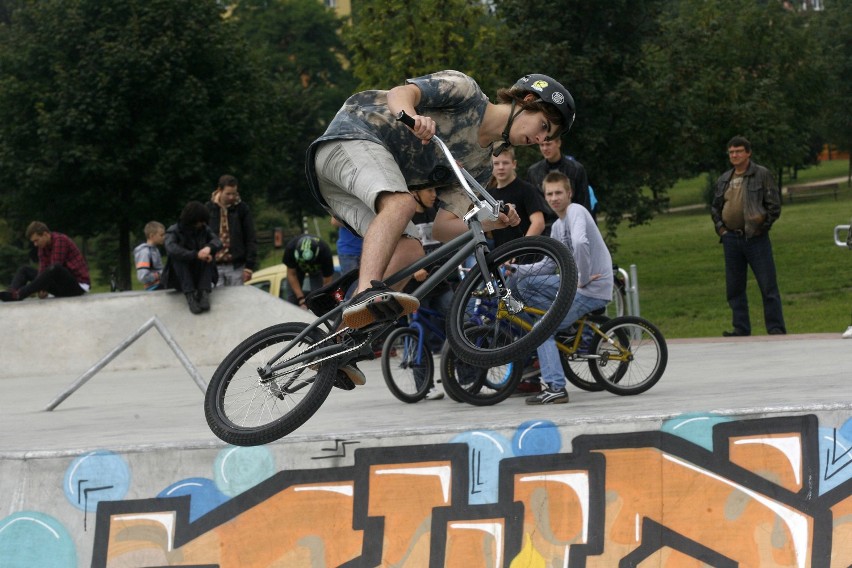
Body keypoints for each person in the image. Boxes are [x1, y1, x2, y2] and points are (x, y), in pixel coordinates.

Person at [305, 70, 575, 385]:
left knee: (410, 251)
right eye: (544, 126)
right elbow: (399, 93)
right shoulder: (467, 92)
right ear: (527, 101)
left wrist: (492, 223)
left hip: (348, 187)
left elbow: (443, 228)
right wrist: (412, 117)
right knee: (402, 204)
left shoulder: (480, 164)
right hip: (354, 135)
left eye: (548, 136)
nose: (541, 139)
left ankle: (335, 346)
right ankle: (366, 292)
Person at [515, 172, 613, 404]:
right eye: (550, 194)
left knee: (541, 329)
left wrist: (584, 277)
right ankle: (561, 324)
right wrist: (515, 269)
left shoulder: (576, 211)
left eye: (559, 192)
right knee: (525, 283)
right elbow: (549, 264)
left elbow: (580, 242)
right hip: (577, 285)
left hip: (591, 288)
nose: (554, 197)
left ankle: (556, 387)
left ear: (569, 193)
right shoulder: (558, 226)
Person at [710, 136, 786, 337]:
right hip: (731, 239)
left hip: (755, 238)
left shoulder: (761, 174)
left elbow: (774, 206)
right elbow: (715, 207)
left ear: (748, 153)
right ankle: (741, 328)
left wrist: (762, 227)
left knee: (767, 285)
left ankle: (776, 328)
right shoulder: (724, 178)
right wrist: (722, 230)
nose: (734, 155)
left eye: (738, 151)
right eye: (731, 152)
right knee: (734, 287)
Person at [407, 187, 454, 400]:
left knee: (456, 324)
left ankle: (466, 377)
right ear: (415, 192)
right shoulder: (405, 217)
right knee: (419, 333)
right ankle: (424, 386)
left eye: (436, 189)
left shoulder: (438, 213)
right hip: (417, 287)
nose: (434, 194)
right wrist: (413, 267)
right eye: (428, 190)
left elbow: (450, 244)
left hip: (441, 281)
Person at [0, 221, 90, 302]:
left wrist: (40, 286)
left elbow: (54, 270)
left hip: (77, 286)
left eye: (36, 240)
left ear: (45, 234)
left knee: (55, 267)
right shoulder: (42, 247)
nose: (35, 244)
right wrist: (41, 288)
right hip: (60, 286)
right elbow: (43, 271)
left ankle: (19, 294)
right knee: (25, 270)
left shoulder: (60, 240)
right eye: (33, 242)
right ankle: (11, 294)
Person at [164, 201, 222, 315]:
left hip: (199, 272)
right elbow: (171, 248)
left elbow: (217, 241)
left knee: (208, 256)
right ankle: (190, 296)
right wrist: (195, 255)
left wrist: (209, 248)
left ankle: (204, 292)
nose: (201, 224)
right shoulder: (174, 231)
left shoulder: (204, 229)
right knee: (178, 259)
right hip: (181, 277)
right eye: (199, 222)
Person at [487, 147, 547, 248]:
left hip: (525, 256)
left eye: (505, 163)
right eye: (496, 163)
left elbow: (539, 223)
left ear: (514, 164)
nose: (501, 167)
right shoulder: (487, 195)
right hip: (500, 256)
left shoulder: (526, 189)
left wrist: (520, 249)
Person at [526, 138, 593, 225]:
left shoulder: (576, 169)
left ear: (558, 143)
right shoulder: (533, 172)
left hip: (572, 222)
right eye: (541, 145)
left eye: (548, 144)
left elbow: (584, 202)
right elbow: (531, 205)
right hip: (545, 227)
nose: (544, 148)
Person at [206, 174, 258, 286]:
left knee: (236, 300)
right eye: (228, 194)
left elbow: (250, 238)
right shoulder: (209, 209)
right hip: (214, 265)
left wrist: (249, 266)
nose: (231, 197)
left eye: (234, 194)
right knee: (217, 300)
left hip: (236, 266)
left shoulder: (242, 209)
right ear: (220, 190)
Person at [282, 235, 336, 309]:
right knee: (292, 299)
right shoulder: (290, 248)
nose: (306, 266)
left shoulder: (325, 252)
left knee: (318, 300)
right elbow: (292, 274)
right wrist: (301, 299)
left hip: (316, 270)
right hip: (297, 270)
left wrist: (320, 298)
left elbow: (327, 281)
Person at [133, 221, 165, 291]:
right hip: (154, 287)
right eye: (161, 235)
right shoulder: (144, 252)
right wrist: (162, 274)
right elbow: (143, 277)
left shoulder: (155, 250)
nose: (164, 237)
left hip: (161, 284)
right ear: (152, 236)